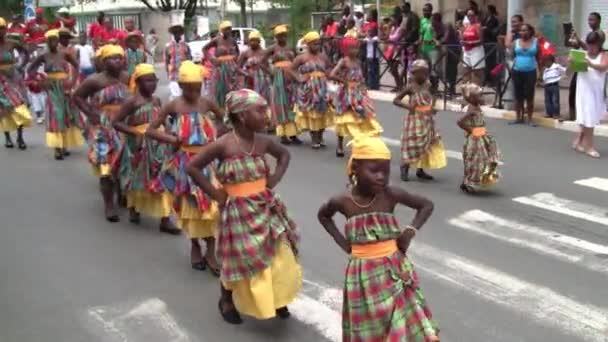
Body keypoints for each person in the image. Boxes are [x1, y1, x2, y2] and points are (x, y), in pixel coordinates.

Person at [186, 88, 301, 325]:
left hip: (266, 207)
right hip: (238, 212)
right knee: (235, 258)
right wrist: (216, 194)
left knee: (279, 253)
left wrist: (275, 178)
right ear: (240, 116)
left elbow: (284, 155)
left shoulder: (263, 142)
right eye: (259, 110)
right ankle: (226, 300)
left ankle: (277, 297)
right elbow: (193, 167)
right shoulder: (223, 145)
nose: (266, 115)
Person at [317, 134, 439, 342]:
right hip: (362, 276)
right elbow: (323, 216)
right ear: (355, 168)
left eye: (386, 171)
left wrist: (409, 232)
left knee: (403, 322)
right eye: (374, 170)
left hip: (394, 270)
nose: (381, 177)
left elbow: (426, 205)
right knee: (368, 327)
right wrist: (343, 243)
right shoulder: (342, 201)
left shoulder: (390, 195)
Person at [145, 61, 224, 273]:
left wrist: (219, 139)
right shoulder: (173, 106)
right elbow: (151, 131)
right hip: (185, 164)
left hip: (208, 162)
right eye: (188, 87)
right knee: (191, 207)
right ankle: (195, 245)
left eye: (197, 87)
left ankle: (211, 249)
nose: (193, 92)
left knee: (212, 207)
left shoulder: (207, 103)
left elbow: (226, 120)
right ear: (180, 85)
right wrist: (169, 139)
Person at [111, 64, 180, 234]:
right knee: (139, 178)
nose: (152, 84)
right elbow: (116, 122)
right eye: (147, 81)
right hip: (138, 145)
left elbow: (162, 118)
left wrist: (169, 131)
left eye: (154, 80)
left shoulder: (156, 100)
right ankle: (135, 207)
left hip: (159, 144)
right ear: (138, 82)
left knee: (162, 177)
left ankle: (165, 218)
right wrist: (134, 132)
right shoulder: (132, 101)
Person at [73, 44, 129, 222]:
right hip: (103, 127)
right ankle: (109, 204)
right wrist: (90, 113)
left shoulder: (127, 78)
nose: (118, 62)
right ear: (104, 62)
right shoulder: (95, 81)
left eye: (120, 58)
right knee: (106, 164)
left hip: (124, 124)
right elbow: (77, 96)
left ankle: (122, 192)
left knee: (124, 161)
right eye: (113, 58)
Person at [28, 29, 82, 160]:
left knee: (66, 114)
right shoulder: (43, 55)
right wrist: (40, 81)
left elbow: (76, 65)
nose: (53, 42)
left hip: (65, 87)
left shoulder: (64, 54)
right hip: (52, 88)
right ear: (47, 42)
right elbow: (31, 69)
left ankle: (64, 144)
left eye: (55, 40)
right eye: (50, 40)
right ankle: (57, 147)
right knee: (56, 114)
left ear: (58, 41)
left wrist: (72, 82)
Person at [393, 59, 446, 182]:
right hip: (415, 119)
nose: (423, 76)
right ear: (414, 73)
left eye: (425, 73)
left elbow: (433, 95)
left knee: (427, 143)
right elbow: (396, 100)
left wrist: (432, 107)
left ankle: (420, 169)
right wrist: (408, 107)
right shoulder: (410, 87)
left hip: (427, 118)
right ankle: (405, 166)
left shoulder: (428, 84)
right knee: (413, 144)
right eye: (420, 73)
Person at [330, 37, 383, 157]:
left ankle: (358, 142)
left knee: (360, 116)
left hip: (358, 92)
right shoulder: (344, 61)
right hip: (346, 93)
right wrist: (344, 82)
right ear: (345, 49)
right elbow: (332, 74)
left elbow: (361, 76)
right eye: (352, 48)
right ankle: (339, 145)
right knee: (344, 118)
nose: (355, 50)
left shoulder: (359, 61)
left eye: (357, 47)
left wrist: (363, 89)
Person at [457, 83, 500, 193]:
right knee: (476, 161)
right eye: (480, 96)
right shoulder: (471, 109)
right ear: (471, 98)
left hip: (482, 137)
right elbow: (460, 122)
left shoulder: (477, 107)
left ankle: (466, 181)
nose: (483, 98)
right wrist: (471, 130)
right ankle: (469, 182)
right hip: (475, 140)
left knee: (482, 160)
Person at [293, 31, 333, 149]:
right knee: (312, 114)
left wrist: (328, 75)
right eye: (314, 44)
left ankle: (320, 136)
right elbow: (291, 69)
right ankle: (314, 138)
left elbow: (330, 67)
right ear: (308, 44)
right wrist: (299, 78)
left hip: (322, 88)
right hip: (309, 89)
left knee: (322, 112)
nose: (317, 46)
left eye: (318, 43)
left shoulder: (323, 56)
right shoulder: (302, 57)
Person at [573, 32, 608, 158]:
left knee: (589, 117)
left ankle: (578, 142)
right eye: (589, 45)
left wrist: (590, 64)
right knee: (587, 116)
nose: (592, 48)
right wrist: (571, 62)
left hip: (595, 91)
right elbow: (569, 71)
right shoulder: (583, 55)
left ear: (599, 44)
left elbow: (603, 67)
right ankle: (589, 146)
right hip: (583, 90)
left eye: (594, 45)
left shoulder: (604, 55)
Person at [265, 24, 301, 145]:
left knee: (292, 105)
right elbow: (261, 61)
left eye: (284, 36)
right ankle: (283, 134)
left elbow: (296, 61)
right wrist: (270, 72)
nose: (283, 38)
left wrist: (297, 75)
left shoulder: (290, 48)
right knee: (281, 105)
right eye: (280, 36)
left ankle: (294, 134)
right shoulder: (272, 49)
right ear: (276, 37)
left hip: (290, 79)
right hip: (279, 79)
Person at [567, 12, 606, 122]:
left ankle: (584, 116)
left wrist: (578, 39)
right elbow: (580, 46)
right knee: (574, 89)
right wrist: (574, 39)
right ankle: (574, 115)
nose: (589, 22)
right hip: (582, 61)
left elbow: (589, 48)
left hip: (592, 64)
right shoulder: (589, 33)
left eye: (592, 20)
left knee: (588, 92)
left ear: (599, 21)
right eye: (588, 20)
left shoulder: (600, 34)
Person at [0, 17, 31, 150]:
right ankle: (7, 137)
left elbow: (25, 53)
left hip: (14, 79)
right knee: (4, 109)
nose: (0, 31)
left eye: (2, 28)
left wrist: (20, 66)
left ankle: (20, 137)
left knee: (19, 107)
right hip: (1, 81)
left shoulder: (11, 43)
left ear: (5, 29)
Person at [204, 21, 245, 107]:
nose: (228, 31)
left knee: (232, 88)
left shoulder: (232, 40)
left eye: (230, 29)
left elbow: (237, 52)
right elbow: (204, 49)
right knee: (220, 89)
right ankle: (220, 108)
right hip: (220, 68)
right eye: (226, 29)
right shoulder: (217, 40)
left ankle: (231, 108)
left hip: (231, 69)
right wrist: (212, 59)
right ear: (222, 30)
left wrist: (234, 60)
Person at [510, 23, 539, 126]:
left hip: (531, 71)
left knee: (530, 96)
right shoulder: (516, 42)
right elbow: (511, 56)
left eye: (525, 30)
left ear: (530, 31)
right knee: (518, 95)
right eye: (521, 30)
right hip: (517, 71)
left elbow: (539, 58)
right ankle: (518, 117)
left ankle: (530, 118)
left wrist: (540, 72)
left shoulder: (536, 42)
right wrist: (512, 67)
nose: (523, 32)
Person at [238, 30, 269, 102]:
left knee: (261, 100)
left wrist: (261, 68)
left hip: (262, 81)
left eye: (255, 41)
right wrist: (245, 74)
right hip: (249, 81)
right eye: (251, 41)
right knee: (250, 100)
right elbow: (237, 68)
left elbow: (267, 68)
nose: (253, 43)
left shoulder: (264, 52)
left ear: (259, 41)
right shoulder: (245, 53)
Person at [164, 24, 191, 101]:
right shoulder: (168, 46)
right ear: (172, 34)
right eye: (175, 32)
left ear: (181, 34)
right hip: (173, 75)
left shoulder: (186, 46)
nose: (177, 34)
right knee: (176, 97)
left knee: (185, 97)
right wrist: (168, 73)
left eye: (178, 32)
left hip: (185, 75)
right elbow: (166, 61)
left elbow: (189, 59)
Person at [435, 12, 460, 95]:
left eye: (432, 22)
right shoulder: (438, 28)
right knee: (448, 70)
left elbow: (445, 39)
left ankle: (452, 90)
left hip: (455, 49)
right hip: (449, 50)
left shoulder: (447, 26)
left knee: (452, 69)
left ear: (436, 21)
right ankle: (449, 89)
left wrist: (437, 41)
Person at [460, 8, 485, 85]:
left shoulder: (478, 26)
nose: (470, 17)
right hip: (467, 51)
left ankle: (475, 93)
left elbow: (481, 40)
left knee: (476, 73)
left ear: (476, 16)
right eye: (468, 15)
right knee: (466, 72)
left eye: (472, 15)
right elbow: (463, 38)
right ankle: (466, 93)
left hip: (476, 50)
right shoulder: (466, 26)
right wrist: (461, 33)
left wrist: (470, 42)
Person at [419, 3, 438, 89]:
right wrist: (419, 43)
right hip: (424, 47)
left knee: (434, 69)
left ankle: (435, 88)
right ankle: (426, 87)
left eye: (426, 10)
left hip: (433, 48)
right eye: (423, 10)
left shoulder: (434, 20)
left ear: (431, 11)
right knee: (425, 68)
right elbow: (421, 34)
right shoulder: (422, 21)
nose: (424, 12)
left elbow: (437, 32)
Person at [482, 5, 500, 86]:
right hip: (485, 41)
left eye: (488, 10)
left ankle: (492, 80)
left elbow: (492, 30)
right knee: (486, 62)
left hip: (491, 42)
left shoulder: (494, 19)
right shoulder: (486, 18)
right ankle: (487, 79)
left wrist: (486, 28)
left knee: (491, 62)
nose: (486, 11)